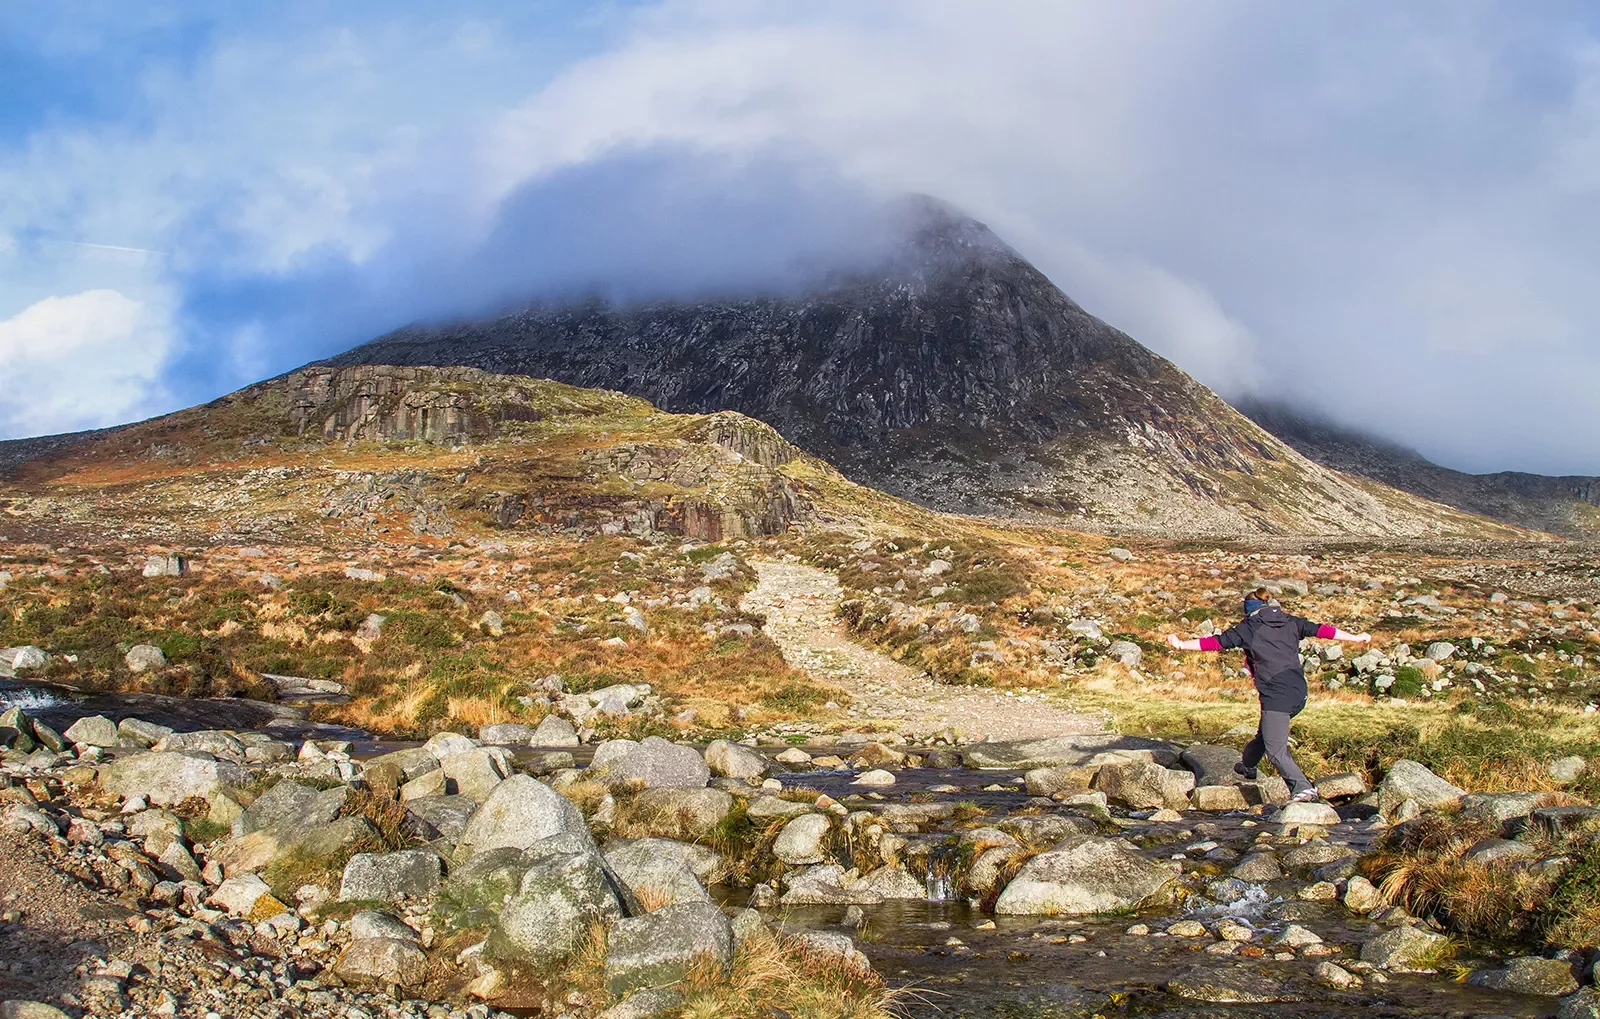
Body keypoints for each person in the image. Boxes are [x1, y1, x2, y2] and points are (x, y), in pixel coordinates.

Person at [1166, 588, 1370, 802]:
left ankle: (1302, 788)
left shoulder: (1248, 628)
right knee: (1265, 733)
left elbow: (1215, 643)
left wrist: (1180, 644)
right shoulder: (1290, 621)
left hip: (1276, 695)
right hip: (1299, 692)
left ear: (1247, 610)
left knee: (1275, 748)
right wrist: (1356, 638)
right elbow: (1322, 630)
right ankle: (1248, 765)